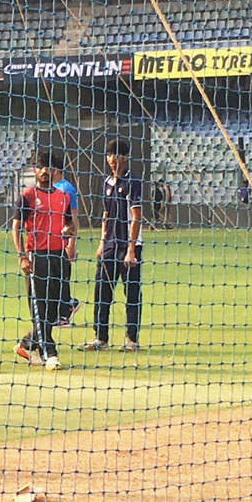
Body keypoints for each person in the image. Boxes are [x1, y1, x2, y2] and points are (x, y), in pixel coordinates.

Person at [13, 151, 75, 370]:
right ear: (35, 170)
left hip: (59, 256)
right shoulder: (28, 196)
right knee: (39, 305)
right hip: (37, 256)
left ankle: (27, 343)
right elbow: (16, 227)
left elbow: (70, 224)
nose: (45, 171)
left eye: (48, 167)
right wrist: (22, 256)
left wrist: (69, 232)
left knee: (57, 308)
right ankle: (50, 353)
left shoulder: (63, 196)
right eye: (40, 167)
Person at [84, 138, 143, 352]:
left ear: (125, 157)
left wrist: (131, 249)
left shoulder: (133, 182)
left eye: (116, 155)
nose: (112, 159)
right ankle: (101, 337)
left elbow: (136, 217)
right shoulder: (106, 182)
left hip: (128, 246)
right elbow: (106, 215)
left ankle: (131, 339)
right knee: (102, 291)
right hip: (109, 245)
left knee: (132, 293)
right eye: (109, 155)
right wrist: (101, 243)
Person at [51, 156, 81, 326]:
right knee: (54, 278)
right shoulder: (52, 188)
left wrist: (71, 243)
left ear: (55, 169)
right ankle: (66, 306)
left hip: (62, 241)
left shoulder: (66, 189)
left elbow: (73, 218)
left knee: (61, 278)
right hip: (51, 241)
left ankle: (64, 313)